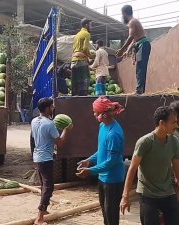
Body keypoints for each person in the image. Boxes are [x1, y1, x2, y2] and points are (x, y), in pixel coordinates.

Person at [120, 106, 179, 225]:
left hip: (168, 192)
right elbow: (133, 168)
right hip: (148, 194)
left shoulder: (174, 141)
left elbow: (177, 166)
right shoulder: (145, 142)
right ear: (162, 123)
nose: (176, 126)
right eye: (173, 122)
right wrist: (125, 196)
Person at [76, 96, 125, 225]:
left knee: (111, 213)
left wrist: (90, 171)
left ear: (103, 114)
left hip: (113, 179)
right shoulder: (103, 126)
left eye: (95, 112)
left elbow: (111, 161)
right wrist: (89, 160)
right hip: (103, 177)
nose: (93, 114)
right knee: (105, 210)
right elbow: (102, 150)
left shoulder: (113, 134)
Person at [31, 97, 72, 225]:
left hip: (37, 156)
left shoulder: (34, 121)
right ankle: (39, 218)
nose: (53, 108)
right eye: (52, 106)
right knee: (49, 187)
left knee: (44, 185)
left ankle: (44, 210)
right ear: (47, 108)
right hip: (46, 158)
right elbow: (60, 143)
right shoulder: (50, 124)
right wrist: (66, 130)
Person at [116, 5, 151, 95]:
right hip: (140, 44)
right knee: (139, 68)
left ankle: (139, 90)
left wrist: (122, 49)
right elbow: (134, 39)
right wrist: (127, 51)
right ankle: (140, 90)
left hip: (143, 44)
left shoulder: (132, 22)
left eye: (122, 14)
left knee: (141, 68)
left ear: (124, 13)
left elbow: (131, 37)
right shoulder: (134, 22)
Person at [71, 18, 93, 96]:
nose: (91, 27)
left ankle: (74, 101)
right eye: (90, 25)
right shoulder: (87, 34)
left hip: (73, 61)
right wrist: (90, 56)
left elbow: (74, 49)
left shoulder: (77, 35)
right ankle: (83, 100)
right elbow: (85, 48)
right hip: (81, 61)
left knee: (75, 83)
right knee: (84, 81)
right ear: (86, 25)